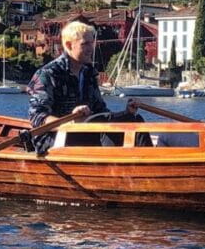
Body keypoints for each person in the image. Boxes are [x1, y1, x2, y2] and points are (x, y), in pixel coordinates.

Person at [26, 20, 145, 154]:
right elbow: (37, 117)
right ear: (69, 45)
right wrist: (71, 123)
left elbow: (101, 112)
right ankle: (115, 168)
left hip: (85, 132)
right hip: (53, 138)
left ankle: (147, 164)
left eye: (91, 43)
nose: (91, 48)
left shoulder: (89, 73)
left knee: (134, 121)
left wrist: (127, 113)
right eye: (85, 44)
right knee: (104, 134)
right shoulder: (47, 74)